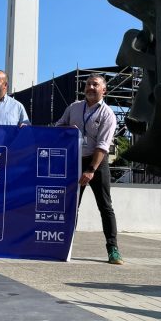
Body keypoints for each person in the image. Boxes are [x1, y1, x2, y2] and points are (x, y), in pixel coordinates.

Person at [55, 74, 122, 264]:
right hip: (75, 161)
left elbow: (103, 146)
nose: (90, 87)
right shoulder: (74, 107)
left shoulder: (108, 114)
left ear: (104, 90)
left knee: (105, 206)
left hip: (97, 163)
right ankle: (65, 246)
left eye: (95, 84)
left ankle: (113, 249)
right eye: (88, 84)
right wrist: (66, 130)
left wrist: (91, 169)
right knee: (71, 206)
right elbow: (59, 126)